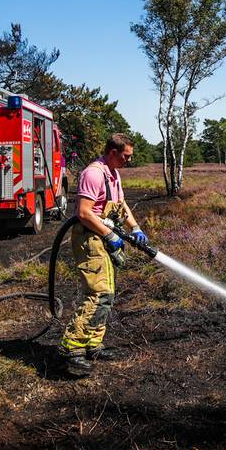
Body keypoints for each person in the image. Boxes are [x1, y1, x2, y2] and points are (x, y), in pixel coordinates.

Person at [58, 132, 151, 375]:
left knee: (107, 292)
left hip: (104, 237)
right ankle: (73, 348)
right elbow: (84, 212)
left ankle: (93, 344)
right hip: (91, 239)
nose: (129, 161)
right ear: (112, 152)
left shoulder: (113, 174)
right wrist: (110, 236)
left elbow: (121, 205)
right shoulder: (93, 174)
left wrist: (135, 227)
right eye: (126, 156)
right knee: (99, 293)